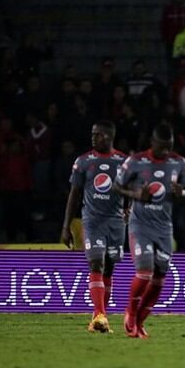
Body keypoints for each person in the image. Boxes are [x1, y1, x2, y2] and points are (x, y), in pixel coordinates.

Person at [113, 123, 185, 338]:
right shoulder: (136, 161)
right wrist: (136, 195)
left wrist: (182, 193)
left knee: (159, 278)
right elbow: (116, 186)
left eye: (169, 146)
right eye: (162, 146)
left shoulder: (179, 163)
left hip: (164, 228)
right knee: (145, 270)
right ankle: (130, 313)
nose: (166, 151)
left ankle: (139, 322)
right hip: (140, 225)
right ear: (152, 142)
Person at [61, 121, 128, 334]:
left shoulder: (124, 162)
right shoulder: (83, 161)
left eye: (98, 134)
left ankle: (99, 318)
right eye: (93, 134)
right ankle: (100, 314)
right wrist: (66, 226)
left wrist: (130, 209)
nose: (94, 137)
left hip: (115, 222)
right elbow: (74, 194)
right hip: (92, 220)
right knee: (96, 262)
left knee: (108, 267)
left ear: (109, 137)